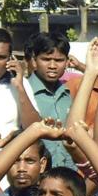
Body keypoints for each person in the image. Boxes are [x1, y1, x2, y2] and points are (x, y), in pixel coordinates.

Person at [22, 31, 75, 170]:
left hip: (69, 172)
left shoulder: (69, 93)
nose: (52, 66)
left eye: (59, 60)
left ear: (67, 62)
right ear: (34, 60)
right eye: (46, 59)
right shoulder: (24, 93)